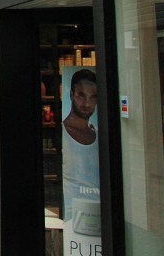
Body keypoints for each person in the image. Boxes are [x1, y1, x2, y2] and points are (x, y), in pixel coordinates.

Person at [62, 69, 100, 233]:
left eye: (93, 97)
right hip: (70, 222)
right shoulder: (62, 132)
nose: (87, 104)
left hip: (100, 217)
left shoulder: (99, 134)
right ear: (71, 95)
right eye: (81, 95)